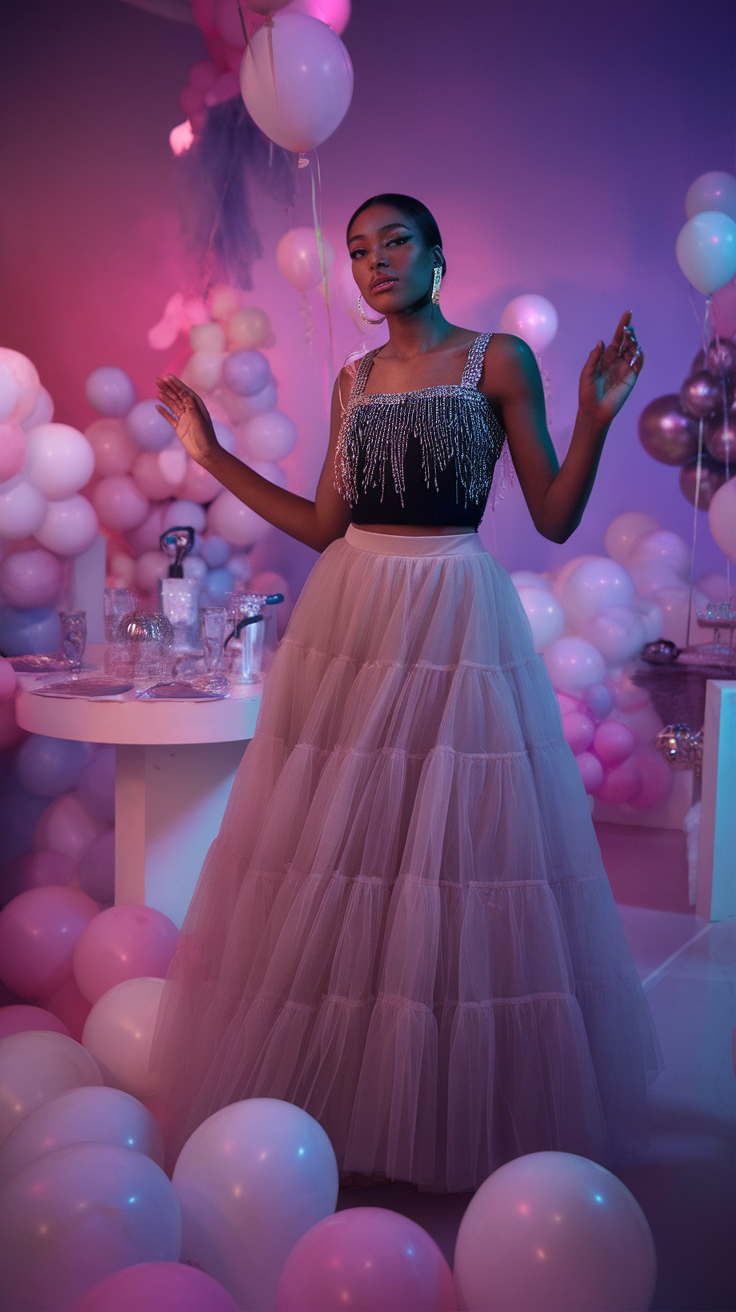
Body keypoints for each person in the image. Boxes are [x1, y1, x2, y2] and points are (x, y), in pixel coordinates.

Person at [152, 193, 659, 1190]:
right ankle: (341, 1106)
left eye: (394, 242)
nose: (374, 261)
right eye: (357, 250)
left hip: (454, 609)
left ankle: (445, 1104)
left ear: (436, 256)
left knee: (455, 855)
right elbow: (321, 524)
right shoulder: (353, 381)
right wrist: (210, 457)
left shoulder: (496, 360)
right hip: (356, 611)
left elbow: (553, 517)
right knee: (344, 852)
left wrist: (596, 416)